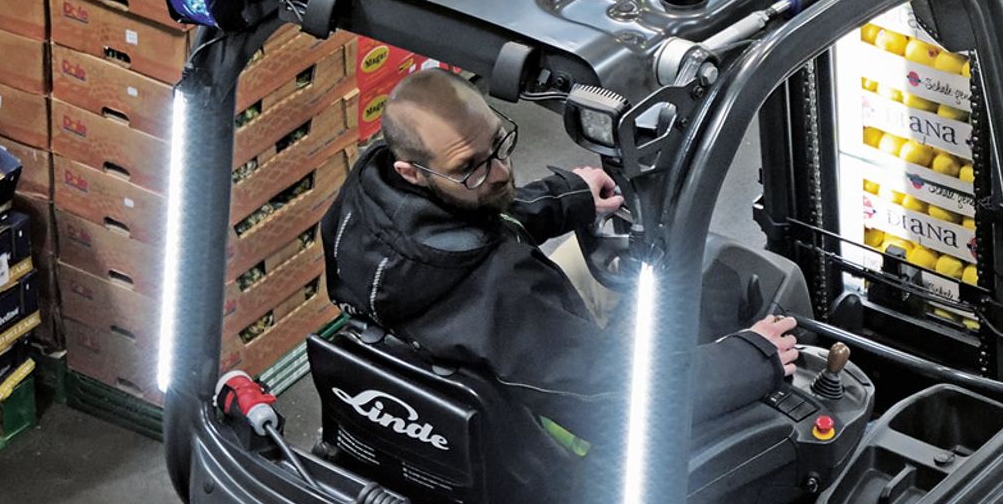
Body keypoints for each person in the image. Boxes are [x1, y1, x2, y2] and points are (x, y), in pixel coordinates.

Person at [321, 68, 803, 450]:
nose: (500, 172)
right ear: (411, 172)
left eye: (498, 144)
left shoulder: (366, 203)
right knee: (709, 287)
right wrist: (750, 357)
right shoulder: (503, 290)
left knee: (596, 260)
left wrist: (567, 196)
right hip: (562, 443)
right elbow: (622, 400)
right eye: (469, 167)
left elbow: (469, 227)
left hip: (469, 380)